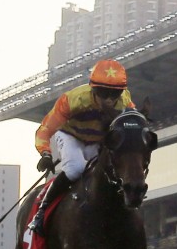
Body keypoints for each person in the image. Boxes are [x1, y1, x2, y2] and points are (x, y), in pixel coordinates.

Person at [28, 59, 134, 232]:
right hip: (71, 136)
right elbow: (46, 129)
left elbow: (132, 124)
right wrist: (46, 154)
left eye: (114, 95)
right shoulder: (73, 100)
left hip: (96, 141)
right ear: (93, 89)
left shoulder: (125, 102)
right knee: (76, 168)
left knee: (106, 172)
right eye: (103, 93)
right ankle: (41, 211)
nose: (108, 100)